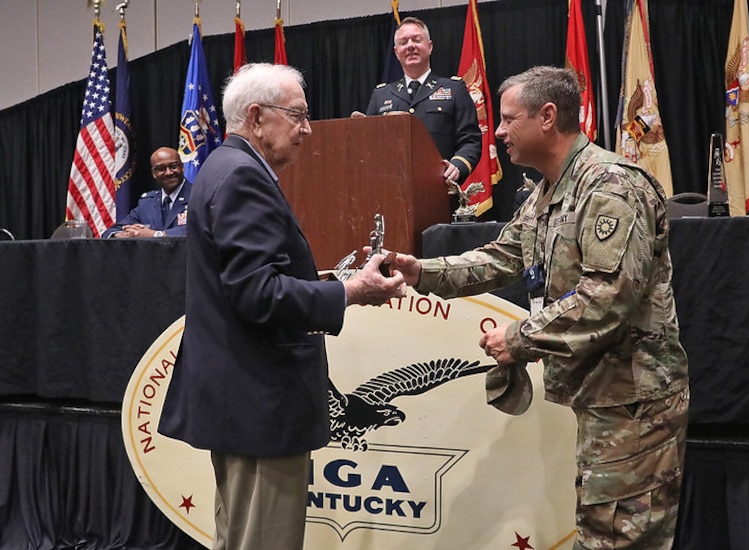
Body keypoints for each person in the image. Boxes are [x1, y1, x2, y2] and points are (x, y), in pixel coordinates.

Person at [391, 66, 690, 549]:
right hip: (604, 397)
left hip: (635, 402)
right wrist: (420, 272)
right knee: (602, 532)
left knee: (618, 539)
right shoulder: (547, 191)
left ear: (547, 117)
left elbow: (606, 297)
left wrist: (517, 339)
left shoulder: (610, 185)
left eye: (508, 120)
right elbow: (502, 256)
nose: (500, 133)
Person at [158, 63, 407, 550]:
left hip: (243, 398)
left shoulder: (222, 167)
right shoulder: (243, 178)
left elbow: (243, 281)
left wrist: (319, 282)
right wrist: (350, 292)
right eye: (298, 116)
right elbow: (258, 294)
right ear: (256, 116)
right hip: (259, 401)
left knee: (240, 534)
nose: (308, 129)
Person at [354, 16, 481, 187]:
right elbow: (370, 148)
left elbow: (471, 139)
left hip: (439, 188)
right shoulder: (381, 94)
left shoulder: (454, 89)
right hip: (391, 190)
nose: (410, 46)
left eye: (416, 40)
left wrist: (458, 166)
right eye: (404, 42)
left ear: (429, 47)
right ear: (396, 52)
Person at [102, 147, 191, 238]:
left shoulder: (197, 196)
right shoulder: (147, 202)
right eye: (161, 169)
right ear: (154, 173)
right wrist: (122, 234)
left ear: (182, 168)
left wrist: (156, 235)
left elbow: (198, 229)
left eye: (173, 166)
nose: (168, 173)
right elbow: (112, 231)